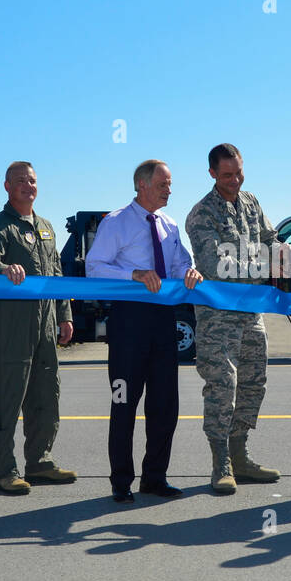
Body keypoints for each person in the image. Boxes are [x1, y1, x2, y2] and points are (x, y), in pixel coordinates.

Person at [86, 160, 203, 503]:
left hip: (164, 320)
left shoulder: (169, 224)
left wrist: (191, 271)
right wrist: (134, 274)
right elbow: (94, 268)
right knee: (124, 402)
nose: (169, 190)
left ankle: (155, 477)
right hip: (129, 323)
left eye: (170, 184)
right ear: (142, 184)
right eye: (163, 184)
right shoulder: (116, 222)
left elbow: (181, 262)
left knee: (165, 405)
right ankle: (121, 481)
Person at [185, 143, 282, 494]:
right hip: (218, 319)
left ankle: (241, 456)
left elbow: (270, 240)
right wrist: (267, 266)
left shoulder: (252, 203)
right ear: (212, 173)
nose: (235, 179)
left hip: (250, 314)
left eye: (239, 172)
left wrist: (290, 244)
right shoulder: (201, 214)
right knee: (222, 386)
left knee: (254, 382)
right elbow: (216, 267)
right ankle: (220, 463)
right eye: (227, 175)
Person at [0, 162, 75, 495]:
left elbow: (56, 275)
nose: (28, 186)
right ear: (7, 186)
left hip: (46, 325)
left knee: (47, 395)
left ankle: (40, 461)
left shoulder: (46, 226)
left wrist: (65, 315)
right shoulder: (0, 226)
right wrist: (4, 269)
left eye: (32, 181)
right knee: (7, 398)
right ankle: (3, 469)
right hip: (12, 326)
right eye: (21, 181)